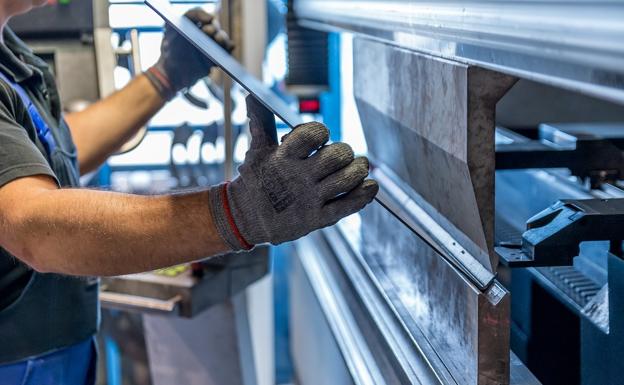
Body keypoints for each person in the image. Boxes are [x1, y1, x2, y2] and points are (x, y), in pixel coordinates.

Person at [0, 0, 378, 384]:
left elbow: (46, 153)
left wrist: (165, 77)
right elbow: (34, 227)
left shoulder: (8, 48)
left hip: (55, 358)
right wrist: (238, 213)